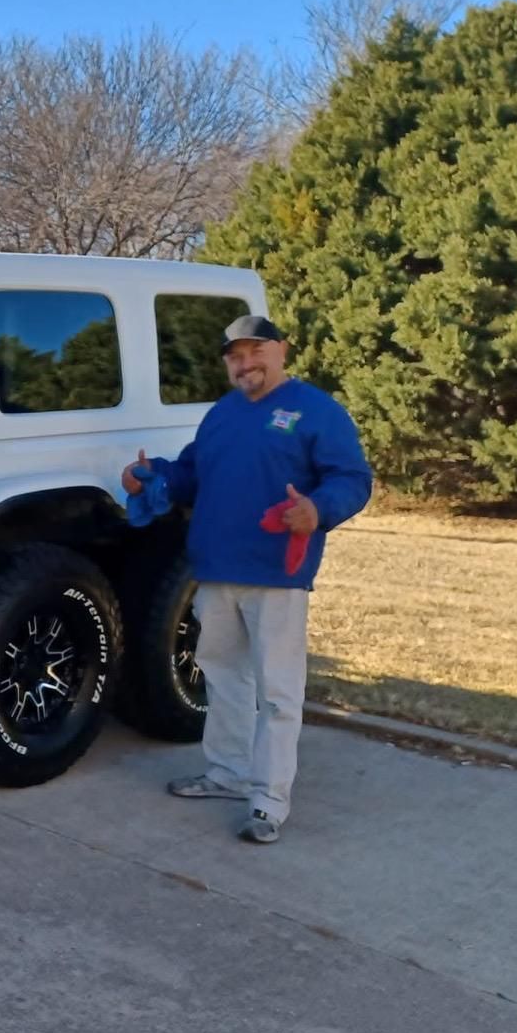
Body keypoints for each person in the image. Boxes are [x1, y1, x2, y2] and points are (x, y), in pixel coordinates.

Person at [122, 314, 373, 844]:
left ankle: (268, 801)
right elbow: (192, 473)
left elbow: (351, 478)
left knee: (279, 691)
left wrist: (318, 509)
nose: (245, 362)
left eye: (256, 350)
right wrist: (153, 476)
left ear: (282, 350)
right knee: (222, 674)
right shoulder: (222, 414)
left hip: (277, 575)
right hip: (215, 570)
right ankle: (229, 774)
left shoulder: (317, 411)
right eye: (235, 355)